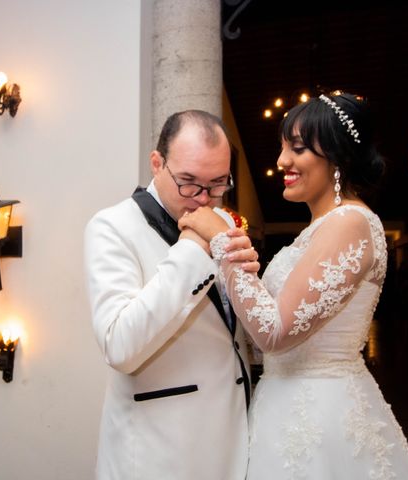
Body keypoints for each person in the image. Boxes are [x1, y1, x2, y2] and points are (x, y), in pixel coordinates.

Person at [179, 92, 408, 479]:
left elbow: (275, 332)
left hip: (320, 415)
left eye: (297, 148)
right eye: (282, 147)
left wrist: (221, 241)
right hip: (284, 403)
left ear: (338, 157)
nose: (281, 161)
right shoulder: (319, 229)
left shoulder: (350, 223)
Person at [84, 110, 258, 480]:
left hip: (231, 431)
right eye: (189, 182)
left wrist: (249, 283)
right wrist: (194, 247)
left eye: (217, 184)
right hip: (159, 447)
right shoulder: (111, 227)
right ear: (157, 163)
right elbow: (119, 345)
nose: (203, 200)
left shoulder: (223, 221)